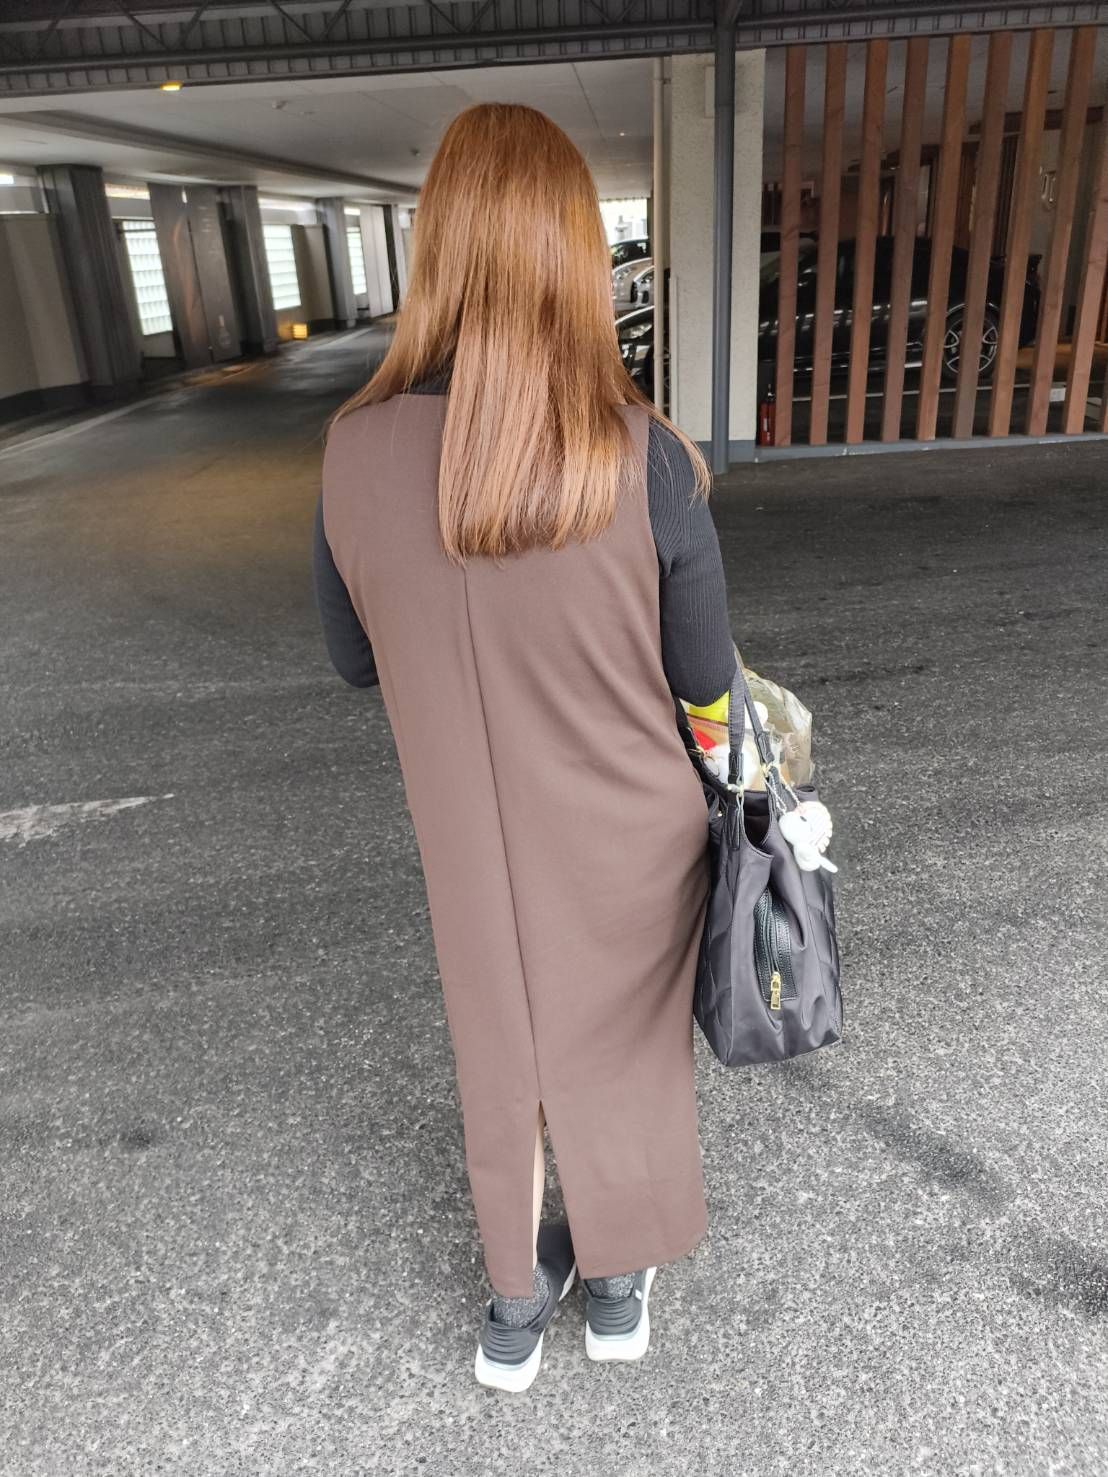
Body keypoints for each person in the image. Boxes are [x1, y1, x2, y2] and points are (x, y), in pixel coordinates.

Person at [314, 103, 736, 1392]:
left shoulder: (352, 451)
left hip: (467, 830)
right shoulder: (642, 453)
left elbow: (354, 659)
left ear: (435, 250)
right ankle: (614, 1280)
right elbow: (704, 677)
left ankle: (514, 1296)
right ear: (574, 255)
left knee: (500, 1035)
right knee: (622, 1036)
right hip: (631, 822)